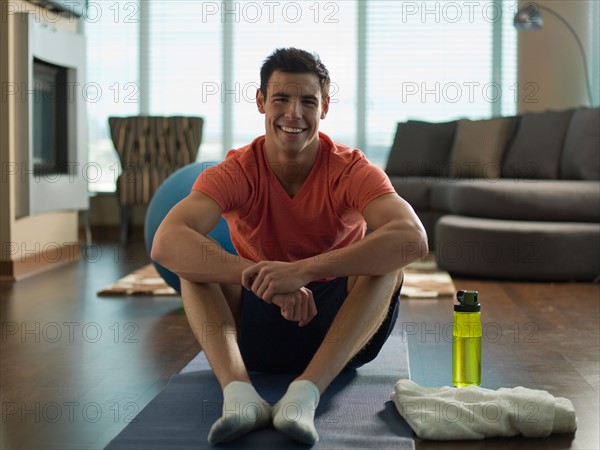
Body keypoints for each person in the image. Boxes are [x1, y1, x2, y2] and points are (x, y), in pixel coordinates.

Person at [151, 47, 428, 445]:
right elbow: (166, 241)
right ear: (261, 100)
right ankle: (239, 394)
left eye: (308, 101)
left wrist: (302, 270)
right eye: (281, 98)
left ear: (325, 106)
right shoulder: (236, 170)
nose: (293, 113)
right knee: (193, 266)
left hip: (341, 332)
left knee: (389, 262)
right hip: (258, 325)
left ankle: (305, 393)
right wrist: (257, 276)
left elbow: (413, 238)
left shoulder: (350, 169)